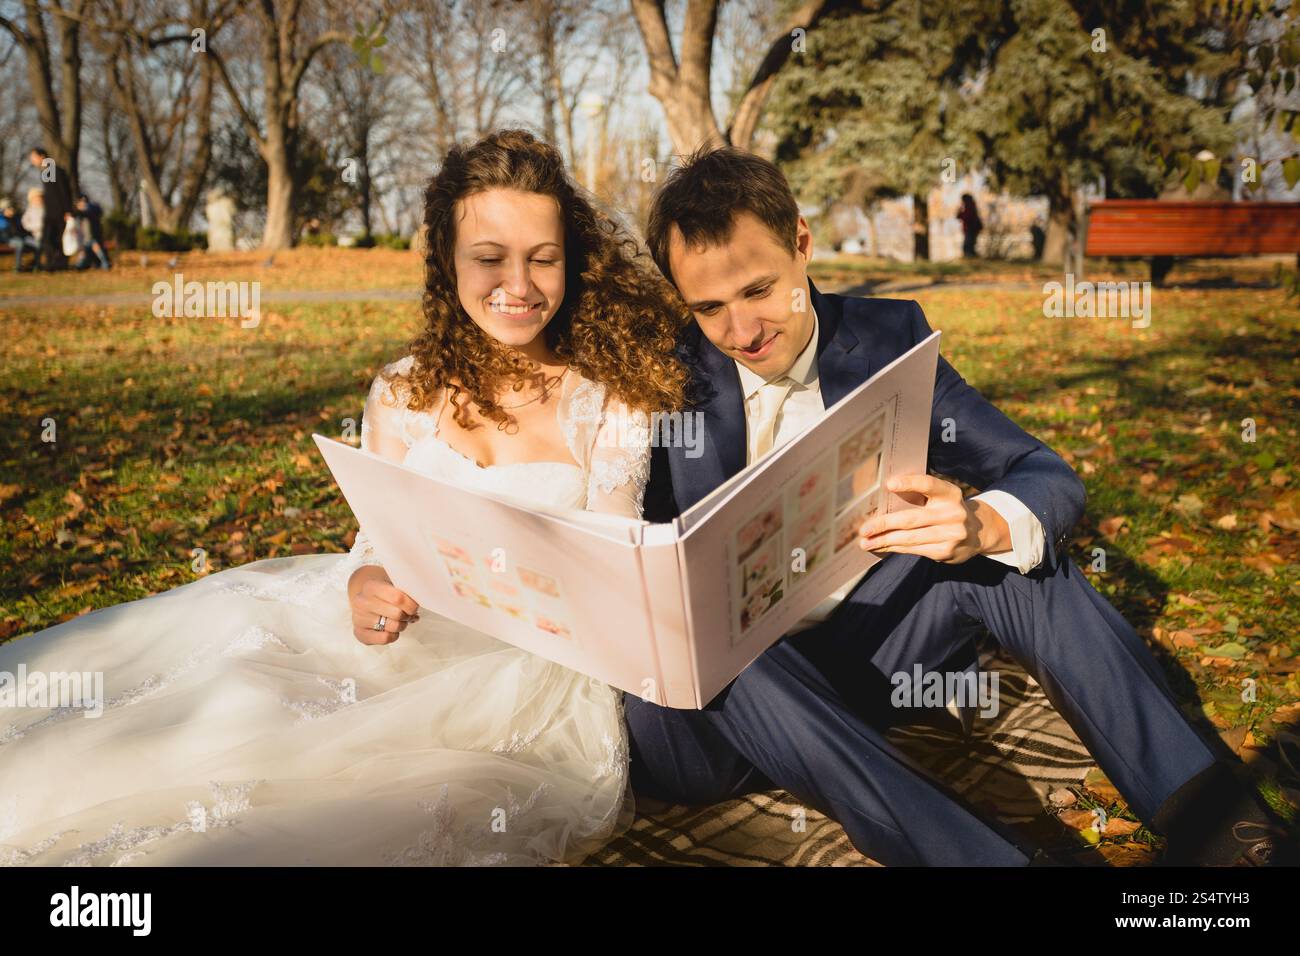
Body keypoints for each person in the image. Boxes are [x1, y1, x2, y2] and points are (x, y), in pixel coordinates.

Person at [0, 129, 688, 866]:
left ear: (571, 260)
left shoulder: (606, 398)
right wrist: (364, 582)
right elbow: (375, 541)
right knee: (222, 701)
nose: (517, 285)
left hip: (516, 677)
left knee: (338, 805)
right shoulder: (402, 388)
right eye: (489, 258)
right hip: (381, 640)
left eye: (542, 259)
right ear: (447, 262)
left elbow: (616, 547)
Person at [626, 145, 1295, 867]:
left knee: (1012, 558)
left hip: (865, 656)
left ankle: (1227, 835)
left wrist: (986, 521)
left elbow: (1040, 471)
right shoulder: (661, 375)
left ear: (801, 242)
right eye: (708, 308)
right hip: (714, 719)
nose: (742, 330)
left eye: (759, 290)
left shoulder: (887, 339)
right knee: (712, 643)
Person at [28, 147, 73, 270]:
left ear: (42, 156)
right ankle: (51, 264)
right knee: (48, 239)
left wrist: (67, 211)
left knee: (58, 239)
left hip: (59, 213)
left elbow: (63, 192)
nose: (32, 161)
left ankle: (59, 265)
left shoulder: (53, 170)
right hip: (50, 213)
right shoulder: (46, 172)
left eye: (33, 158)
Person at [0, 197, 41, 272]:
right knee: (19, 244)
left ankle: (36, 265)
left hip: (23, 237)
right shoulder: (2, 220)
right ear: (4, 210)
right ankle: (18, 267)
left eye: (12, 208)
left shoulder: (17, 218)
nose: (12, 210)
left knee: (38, 244)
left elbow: (24, 229)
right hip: (10, 240)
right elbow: (5, 235)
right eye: (9, 208)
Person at [72, 193, 112, 270]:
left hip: (91, 237)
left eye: (83, 202)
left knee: (97, 250)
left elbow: (88, 212)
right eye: (80, 202)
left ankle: (105, 264)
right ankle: (81, 265)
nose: (81, 204)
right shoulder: (79, 215)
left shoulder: (90, 210)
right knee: (84, 254)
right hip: (84, 239)